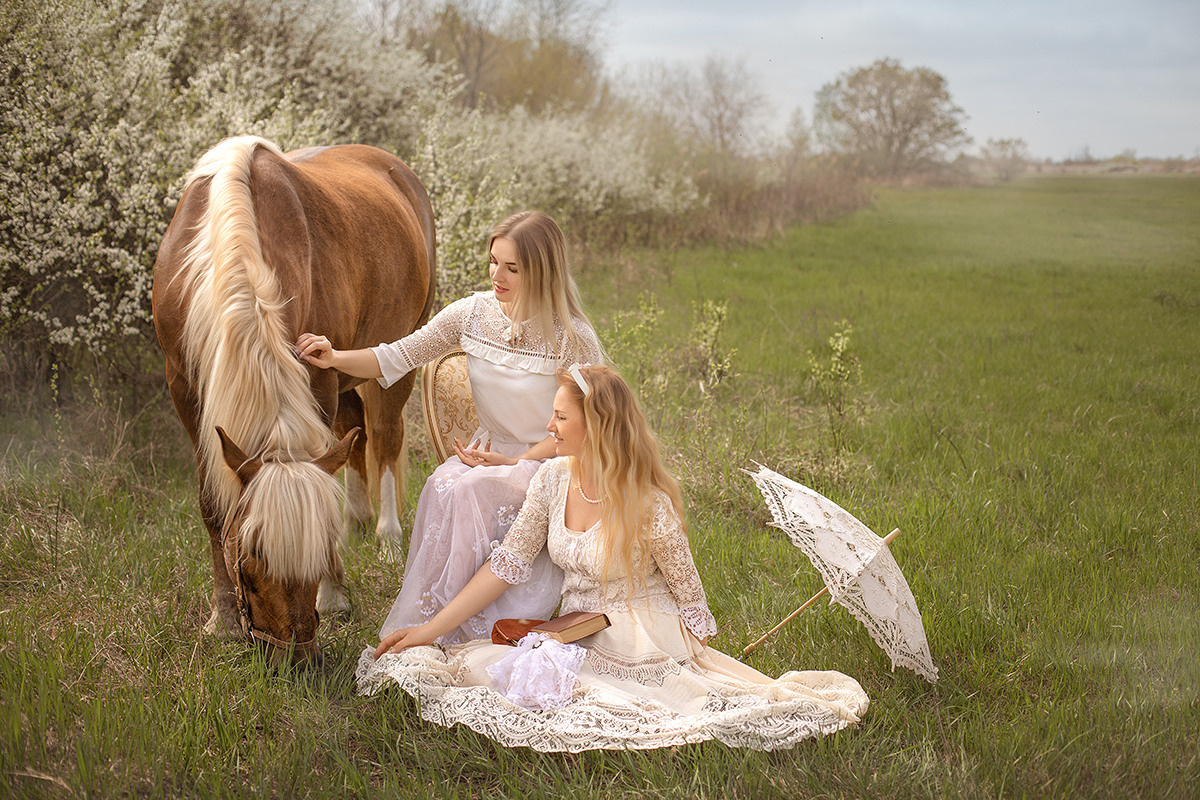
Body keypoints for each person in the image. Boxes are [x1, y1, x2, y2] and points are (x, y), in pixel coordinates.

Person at [354, 364, 869, 753]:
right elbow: (501, 568)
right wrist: (427, 631)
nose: (549, 427)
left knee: (619, 701)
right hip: (577, 626)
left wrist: (697, 647)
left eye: (560, 416)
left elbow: (690, 594)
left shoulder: (647, 502)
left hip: (643, 628)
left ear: (596, 424)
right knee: (492, 676)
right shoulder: (552, 480)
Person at [297, 211, 603, 644]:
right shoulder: (472, 314)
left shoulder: (571, 336)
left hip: (550, 462)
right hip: (489, 452)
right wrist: (335, 357)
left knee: (468, 489)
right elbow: (397, 355)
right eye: (493, 261)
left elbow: (594, 427)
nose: (498, 275)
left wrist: (516, 460)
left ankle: (470, 630)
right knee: (442, 483)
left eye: (512, 268)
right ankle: (433, 618)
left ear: (543, 270)